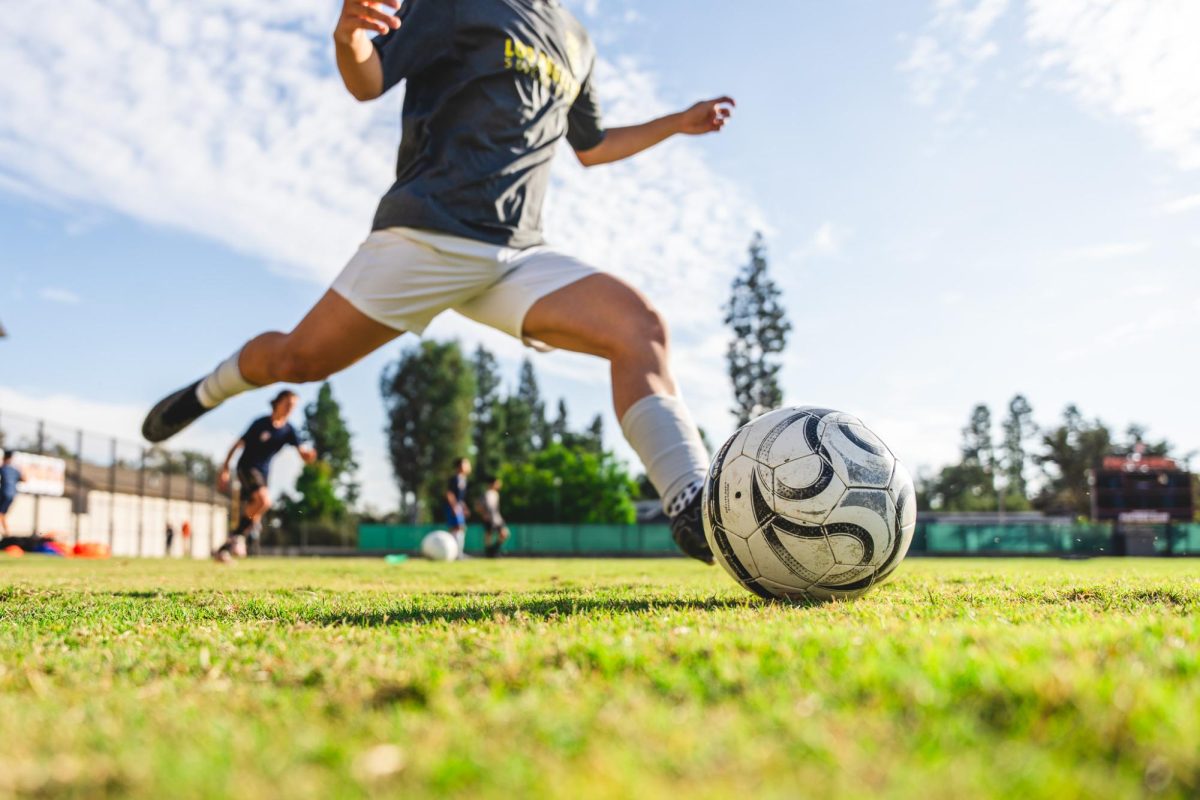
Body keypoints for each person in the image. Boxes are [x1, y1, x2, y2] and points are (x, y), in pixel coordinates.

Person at [141, 0, 732, 564]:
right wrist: (348, 36)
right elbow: (368, 79)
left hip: (517, 255)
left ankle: (693, 505)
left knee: (640, 326)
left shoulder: (577, 39)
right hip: (426, 235)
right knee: (297, 359)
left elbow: (594, 146)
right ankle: (206, 391)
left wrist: (678, 123)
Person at [214, 390, 316, 560]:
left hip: (264, 474)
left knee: (256, 511)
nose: (290, 408)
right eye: (288, 404)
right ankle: (237, 538)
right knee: (264, 501)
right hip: (246, 467)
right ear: (278, 402)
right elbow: (237, 445)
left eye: (293, 406)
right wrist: (225, 469)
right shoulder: (261, 423)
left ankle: (225, 547)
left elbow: (302, 452)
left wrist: (308, 456)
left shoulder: (289, 430)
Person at [445, 458, 471, 559]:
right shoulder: (455, 478)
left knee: (461, 528)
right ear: (460, 466)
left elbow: (460, 498)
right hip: (453, 506)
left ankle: (458, 553)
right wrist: (454, 507)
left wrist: (464, 507)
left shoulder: (463, 479)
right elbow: (449, 493)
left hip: (458, 506)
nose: (468, 466)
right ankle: (456, 553)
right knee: (457, 528)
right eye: (466, 464)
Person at [481, 477, 510, 558]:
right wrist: (484, 514)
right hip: (489, 517)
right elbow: (481, 505)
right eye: (498, 483)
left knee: (504, 533)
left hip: (497, 518)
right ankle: (489, 553)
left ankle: (494, 550)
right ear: (493, 483)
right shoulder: (487, 493)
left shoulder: (496, 494)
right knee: (489, 535)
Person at [0, 451, 23, 536]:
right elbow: (24, 479)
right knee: (2, 514)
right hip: (12, 494)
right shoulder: (15, 469)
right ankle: (7, 533)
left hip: (4, 493)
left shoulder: (3, 468)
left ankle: (7, 533)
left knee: (1, 513)